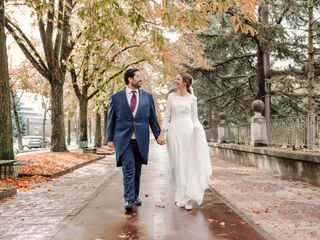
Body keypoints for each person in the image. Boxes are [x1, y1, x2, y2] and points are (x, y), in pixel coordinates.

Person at [106, 68, 164, 213]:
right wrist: (109, 138)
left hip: (141, 139)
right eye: (138, 76)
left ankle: (135, 196)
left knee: (137, 169)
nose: (141, 78)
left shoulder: (147, 97)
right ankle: (128, 199)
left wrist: (158, 135)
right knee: (129, 168)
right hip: (123, 139)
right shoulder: (116, 97)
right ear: (130, 79)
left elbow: (152, 119)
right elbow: (111, 119)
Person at [158, 72, 212, 210]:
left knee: (187, 164)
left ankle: (187, 198)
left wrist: (198, 131)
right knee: (176, 165)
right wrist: (162, 133)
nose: (175, 81)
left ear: (185, 83)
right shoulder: (171, 97)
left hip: (188, 133)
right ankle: (179, 194)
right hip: (174, 133)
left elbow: (195, 118)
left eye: (178, 79)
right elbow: (166, 116)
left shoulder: (193, 99)